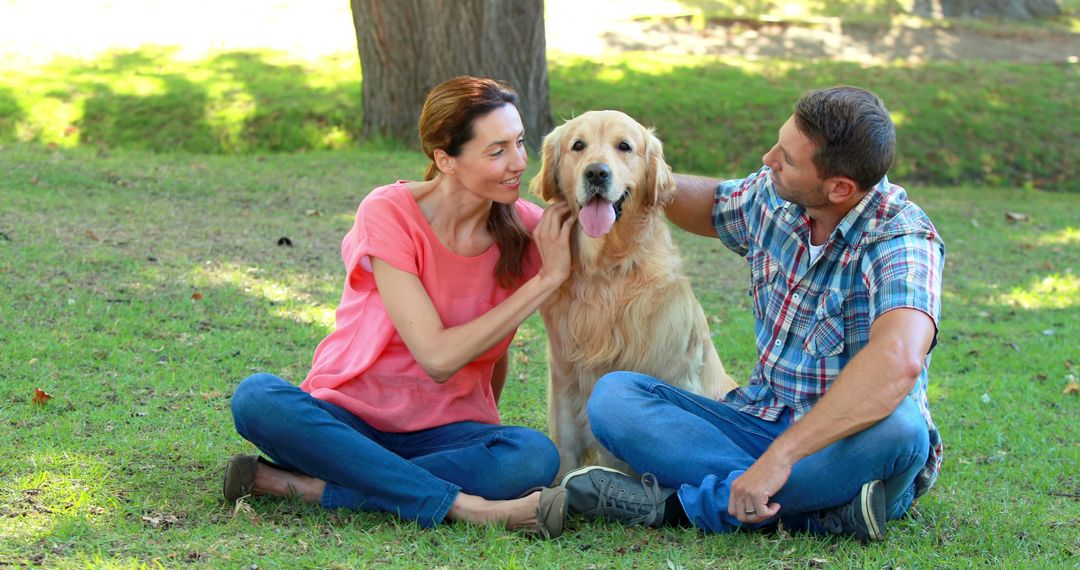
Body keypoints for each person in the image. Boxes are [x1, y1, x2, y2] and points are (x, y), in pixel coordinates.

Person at [559, 86, 945, 541]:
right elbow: (710, 204)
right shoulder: (776, 196)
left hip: (848, 444)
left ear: (839, 188)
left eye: (787, 158)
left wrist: (780, 459)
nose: (768, 159)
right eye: (779, 144)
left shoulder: (901, 239)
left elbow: (897, 363)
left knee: (902, 431)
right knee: (614, 398)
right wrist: (625, 172)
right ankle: (824, 512)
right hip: (756, 423)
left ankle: (680, 508)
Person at [224, 76, 575, 538]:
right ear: (445, 159)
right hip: (349, 421)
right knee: (257, 398)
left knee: (533, 455)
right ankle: (469, 508)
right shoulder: (389, 211)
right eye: (497, 151)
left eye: (520, 142)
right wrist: (547, 279)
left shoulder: (529, 229)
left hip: (443, 434)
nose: (518, 164)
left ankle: (308, 487)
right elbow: (438, 358)